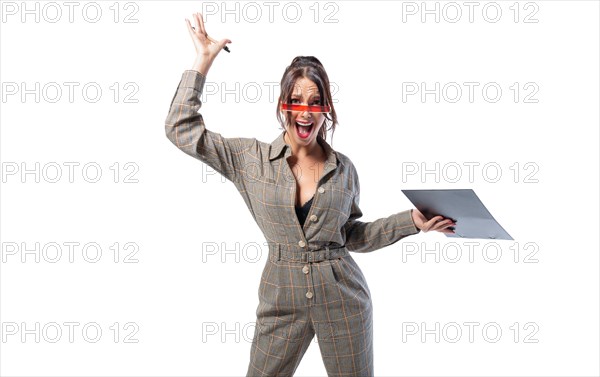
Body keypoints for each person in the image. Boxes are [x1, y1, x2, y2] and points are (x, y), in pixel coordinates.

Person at [165, 12, 456, 377]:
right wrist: (202, 63)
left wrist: (411, 222)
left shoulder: (345, 169)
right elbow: (180, 129)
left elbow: (351, 236)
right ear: (283, 104)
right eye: (296, 100)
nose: (305, 111)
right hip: (279, 300)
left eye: (315, 101)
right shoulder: (249, 159)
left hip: (344, 301)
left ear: (326, 109)